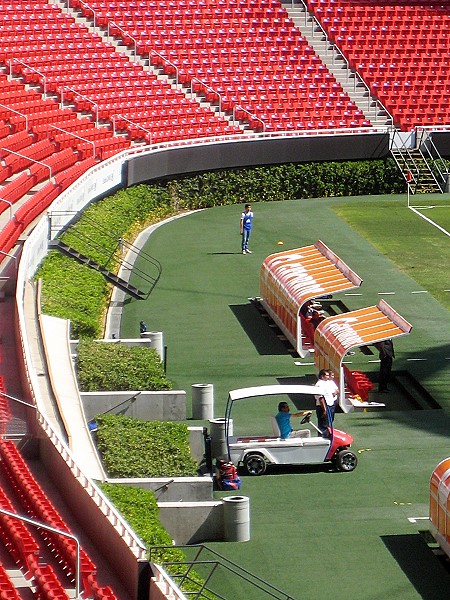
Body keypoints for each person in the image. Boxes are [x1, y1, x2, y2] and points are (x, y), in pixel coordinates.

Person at [314, 369, 338, 434]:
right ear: (322, 376)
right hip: (323, 407)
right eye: (327, 375)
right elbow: (320, 398)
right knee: (324, 425)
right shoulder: (319, 384)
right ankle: (323, 438)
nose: (328, 377)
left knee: (328, 424)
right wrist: (324, 410)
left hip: (329, 406)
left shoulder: (326, 383)